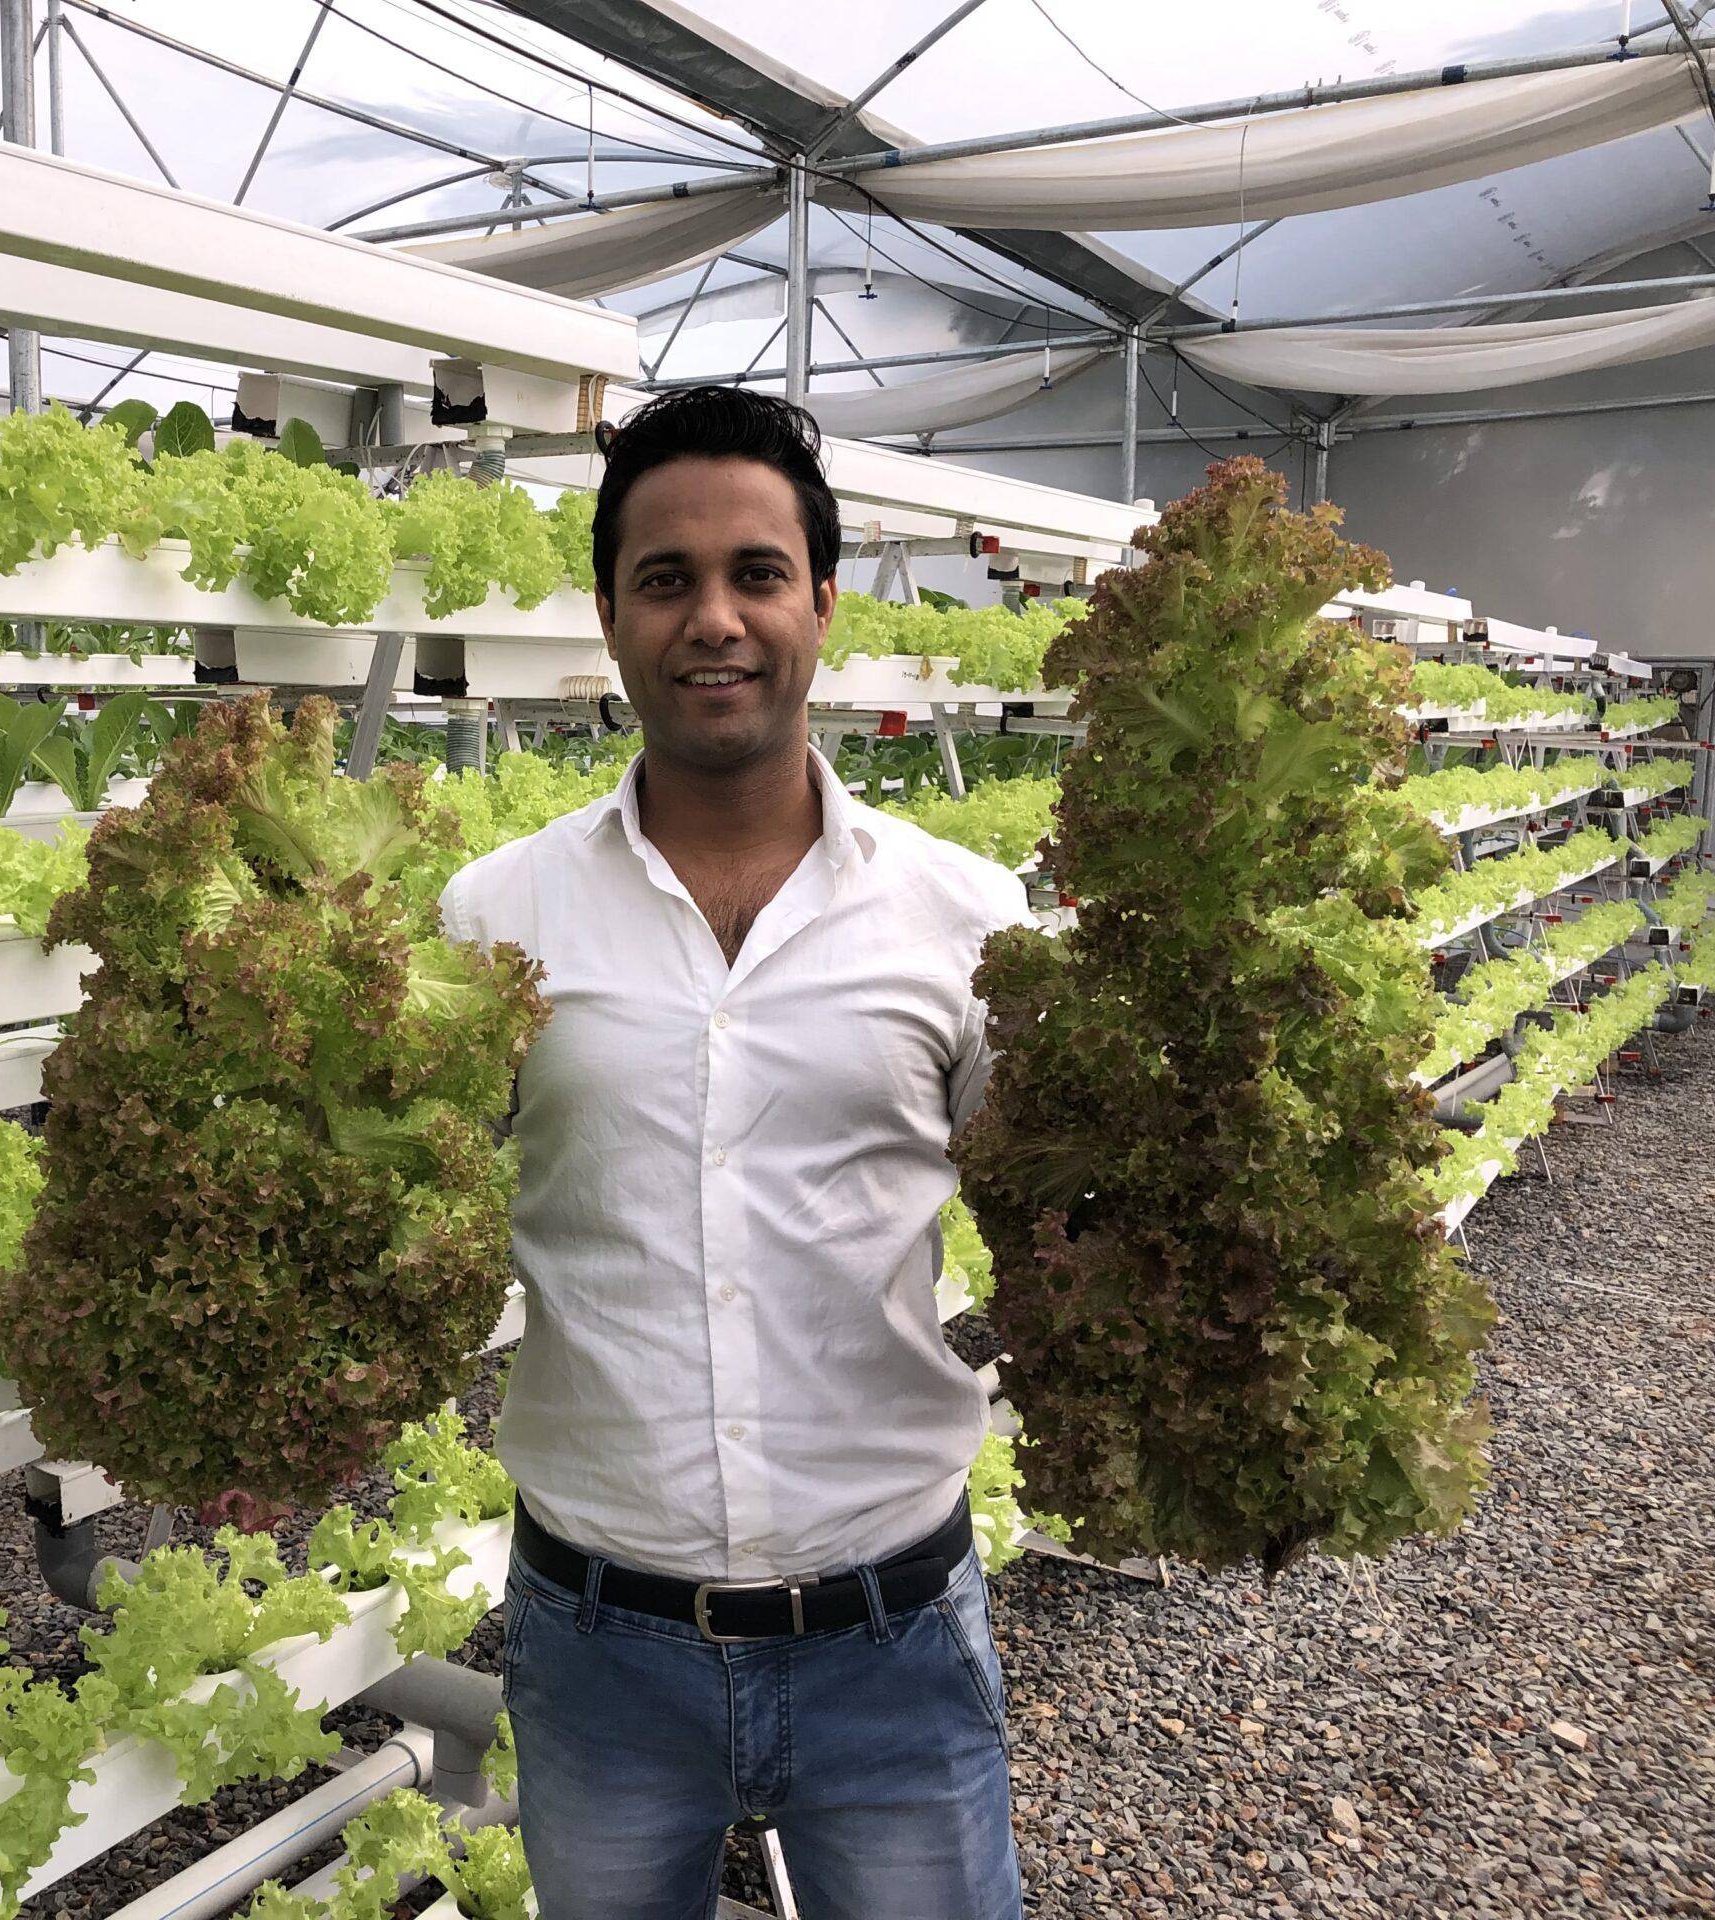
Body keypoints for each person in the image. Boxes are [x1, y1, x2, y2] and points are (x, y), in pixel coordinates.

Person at [437, 386, 1030, 1919]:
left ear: (822, 602)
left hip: (892, 1636)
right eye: (667, 579)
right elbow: (380, 1225)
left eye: (757, 574)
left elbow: (1075, 1220)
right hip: (599, 1643)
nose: (716, 618)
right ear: (611, 614)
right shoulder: (492, 921)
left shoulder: (966, 919)